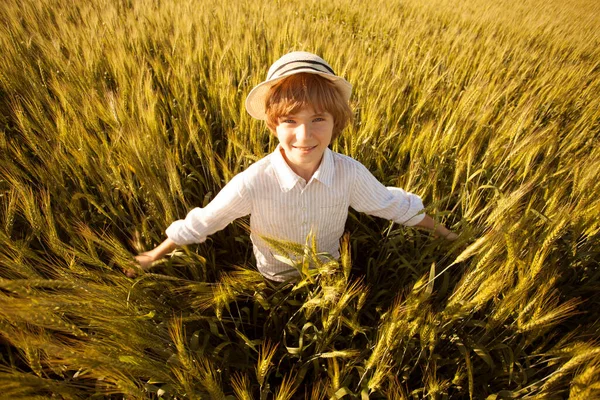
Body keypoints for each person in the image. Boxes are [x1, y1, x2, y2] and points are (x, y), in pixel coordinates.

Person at [126, 51, 457, 280]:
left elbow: (395, 206)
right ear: (272, 125)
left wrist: (445, 234)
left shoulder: (349, 174)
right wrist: (155, 254)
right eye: (289, 121)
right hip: (274, 278)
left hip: (328, 274)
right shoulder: (254, 181)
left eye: (318, 119)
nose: (304, 135)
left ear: (336, 122)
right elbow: (205, 221)